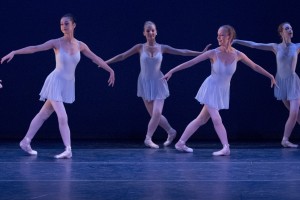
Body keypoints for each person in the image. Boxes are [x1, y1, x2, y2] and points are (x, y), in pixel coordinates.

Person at [1, 13, 115, 158]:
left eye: (66, 23)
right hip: (55, 81)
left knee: (43, 114)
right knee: (62, 116)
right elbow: (36, 48)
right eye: (61, 24)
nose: (63, 26)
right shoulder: (56, 42)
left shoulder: (81, 45)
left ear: (74, 25)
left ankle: (26, 141)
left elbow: (96, 58)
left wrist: (110, 70)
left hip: (67, 84)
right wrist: (15, 52)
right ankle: (68, 149)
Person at [163, 25, 277, 156]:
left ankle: (180, 143)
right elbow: (191, 62)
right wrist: (172, 70)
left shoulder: (238, 54)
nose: (218, 37)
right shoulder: (213, 53)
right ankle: (226, 147)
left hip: (222, 91)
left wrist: (270, 75)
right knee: (216, 119)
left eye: (221, 35)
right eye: (218, 35)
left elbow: (255, 66)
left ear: (230, 36)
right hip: (211, 88)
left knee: (201, 120)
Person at [106, 21, 210, 149]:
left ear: (156, 32)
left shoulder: (162, 48)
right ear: (144, 33)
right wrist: (106, 63)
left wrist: (200, 53)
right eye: (148, 30)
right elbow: (122, 56)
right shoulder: (139, 47)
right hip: (144, 83)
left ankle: (148, 138)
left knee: (156, 113)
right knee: (155, 116)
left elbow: (182, 52)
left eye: (152, 30)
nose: (150, 33)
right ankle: (171, 132)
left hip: (159, 82)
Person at [233, 22, 300, 148]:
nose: (290, 30)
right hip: (281, 82)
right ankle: (285, 139)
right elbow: (254, 45)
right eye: (287, 28)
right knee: (295, 114)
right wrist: (237, 41)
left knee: (294, 112)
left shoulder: (297, 46)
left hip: (293, 82)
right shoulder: (275, 47)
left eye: (291, 28)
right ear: (281, 32)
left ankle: (285, 140)